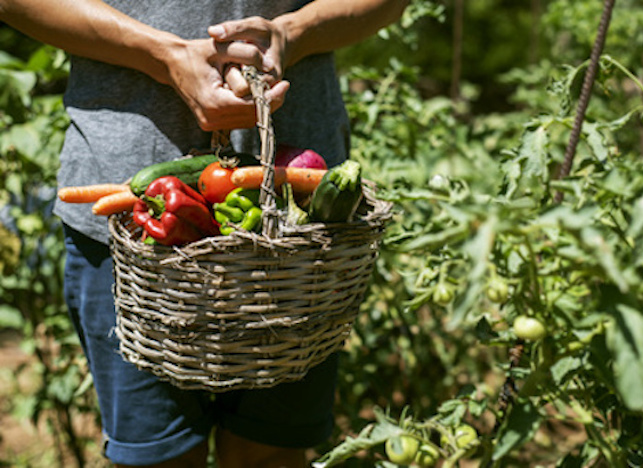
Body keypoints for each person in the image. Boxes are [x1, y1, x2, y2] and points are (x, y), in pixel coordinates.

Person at [0, 1, 408, 466]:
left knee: (271, 455)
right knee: (157, 457)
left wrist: (292, 33)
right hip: (129, 218)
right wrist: (163, 55)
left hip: (304, 224)